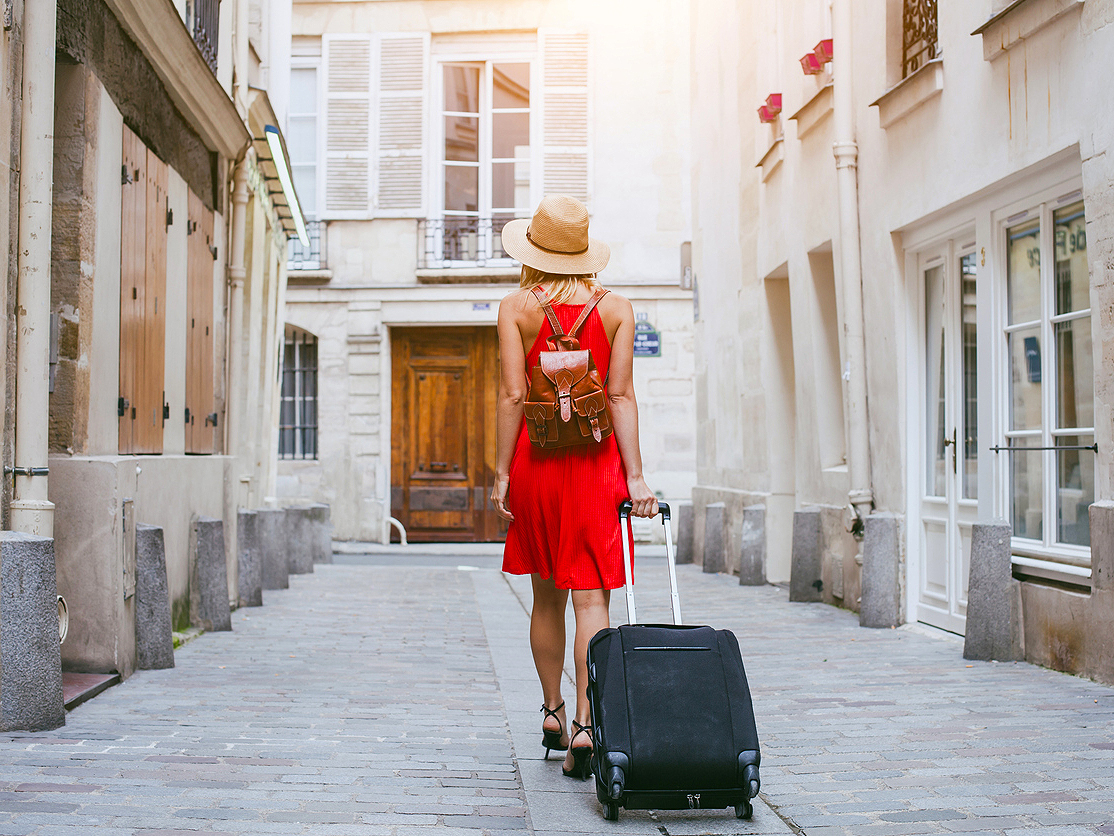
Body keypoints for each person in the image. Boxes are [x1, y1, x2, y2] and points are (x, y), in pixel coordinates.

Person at [490, 194, 658, 780]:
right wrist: (635, 476)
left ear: (534, 252)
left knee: (545, 599)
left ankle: (552, 711)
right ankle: (588, 721)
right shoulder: (616, 308)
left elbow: (512, 395)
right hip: (596, 470)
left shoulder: (516, 306)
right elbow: (620, 396)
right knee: (593, 600)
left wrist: (503, 473)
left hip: (538, 466)